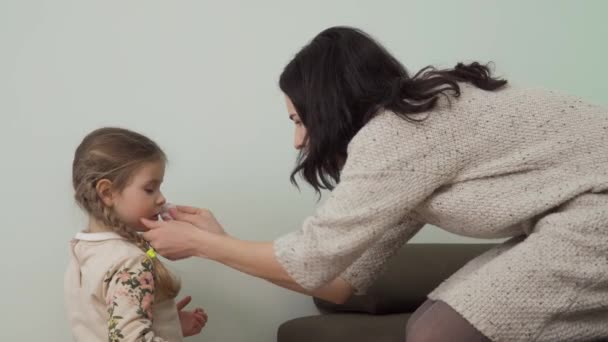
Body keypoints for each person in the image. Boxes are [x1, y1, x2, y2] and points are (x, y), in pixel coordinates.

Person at [142, 27, 608, 341]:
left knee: (437, 333)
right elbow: (338, 282)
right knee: (429, 325)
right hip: (572, 217)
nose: (298, 139)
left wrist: (203, 245)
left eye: (300, 120)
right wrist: (220, 241)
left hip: (597, 212)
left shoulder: (399, 134)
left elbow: (309, 260)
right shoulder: (410, 144)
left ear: (328, 106)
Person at [64, 127, 208, 341]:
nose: (161, 199)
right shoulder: (131, 262)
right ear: (107, 192)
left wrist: (167, 323)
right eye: (150, 189)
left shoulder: (83, 250)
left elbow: (102, 321)